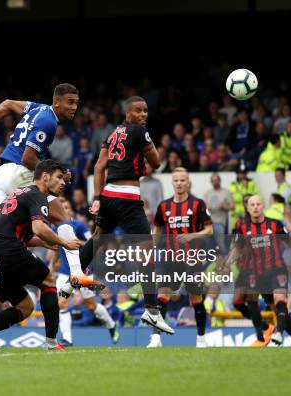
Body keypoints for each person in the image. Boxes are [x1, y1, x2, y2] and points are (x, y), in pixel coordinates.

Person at [0, 84, 92, 292]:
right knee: (62, 217)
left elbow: (7, 104)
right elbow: (28, 158)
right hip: (19, 173)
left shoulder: (37, 108)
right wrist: (56, 173)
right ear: (56, 102)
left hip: (1, 172)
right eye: (70, 102)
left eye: (76, 103)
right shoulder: (49, 122)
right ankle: (77, 273)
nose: (74, 107)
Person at [87, 96, 173, 335]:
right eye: (138, 110)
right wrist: (143, 163)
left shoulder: (114, 133)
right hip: (127, 197)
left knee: (98, 239)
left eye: (145, 111)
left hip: (108, 194)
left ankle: (72, 276)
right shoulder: (139, 131)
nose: (143, 114)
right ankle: (152, 311)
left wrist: (96, 197)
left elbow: (98, 167)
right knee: (147, 252)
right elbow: (156, 162)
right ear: (128, 113)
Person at [0, 160, 83, 350]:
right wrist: (63, 242)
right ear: (45, 176)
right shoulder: (37, 195)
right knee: (48, 282)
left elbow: (22, 233)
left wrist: (46, 243)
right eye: (59, 177)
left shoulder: (21, 193)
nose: (62, 183)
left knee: (25, 307)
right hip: (7, 249)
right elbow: (39, 227)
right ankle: (52, 343)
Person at [225, 195, 291, 347]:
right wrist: (227, 263)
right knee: (274, 309)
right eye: (252, 205)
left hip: (277, 269)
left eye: (258, 204)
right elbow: (237, 248)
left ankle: (279, 333)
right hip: (258, 275)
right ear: (248, 208)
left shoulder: (274, 224)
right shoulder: (244, 228)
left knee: (280, 301)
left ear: (263, 207)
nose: (255, 207)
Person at [149, 168, 214, 348]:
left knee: (196, 299)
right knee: (162, 294)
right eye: (176, 180)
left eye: (182, 180)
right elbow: (158, 229)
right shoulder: (163, 206)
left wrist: (192, 236)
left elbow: (210, 230)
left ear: (188, 182)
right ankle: (156, 338)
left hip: (192, 258)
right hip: (169, 258)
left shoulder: (198, 204)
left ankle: (201, 338)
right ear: (172, 182)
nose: (179, 183)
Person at [52, 198, 119, 346]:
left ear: (71, 210)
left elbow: (95, 243)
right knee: (62, 302)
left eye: (67, 207)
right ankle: (67, 339)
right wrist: (52, 264)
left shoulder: (80, 226)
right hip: (64, 272)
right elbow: (57, 248)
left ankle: (111, 325)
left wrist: (76, 242)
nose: (65, 210)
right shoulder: (55, 227)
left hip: (83, 272)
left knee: (91, 305)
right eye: (61, 207)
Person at [204, 173, 234, 253]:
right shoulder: (208, 193)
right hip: (208, 223)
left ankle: (225, 261)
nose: (215, 182)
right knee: (209, 246)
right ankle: (211, 262)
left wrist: (223, 206)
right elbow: (203, 207)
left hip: (220, 222)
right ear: (211, 182)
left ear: (220, 181)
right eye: (213, 180)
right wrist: (207, 207)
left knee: (221, 245)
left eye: (216, 180)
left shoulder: (226, 192)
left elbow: (232, 207)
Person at [228, 163, 260, 230]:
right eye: (240, 173)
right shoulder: (233, 185)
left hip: (249, 215)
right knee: (236, 236)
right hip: (236, 217)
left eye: (244, 173)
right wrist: (244, 188)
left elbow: (257, 197)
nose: (242, 175)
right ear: (237, 173)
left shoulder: (252, 183)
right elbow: (235, 198)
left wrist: (246, 187)